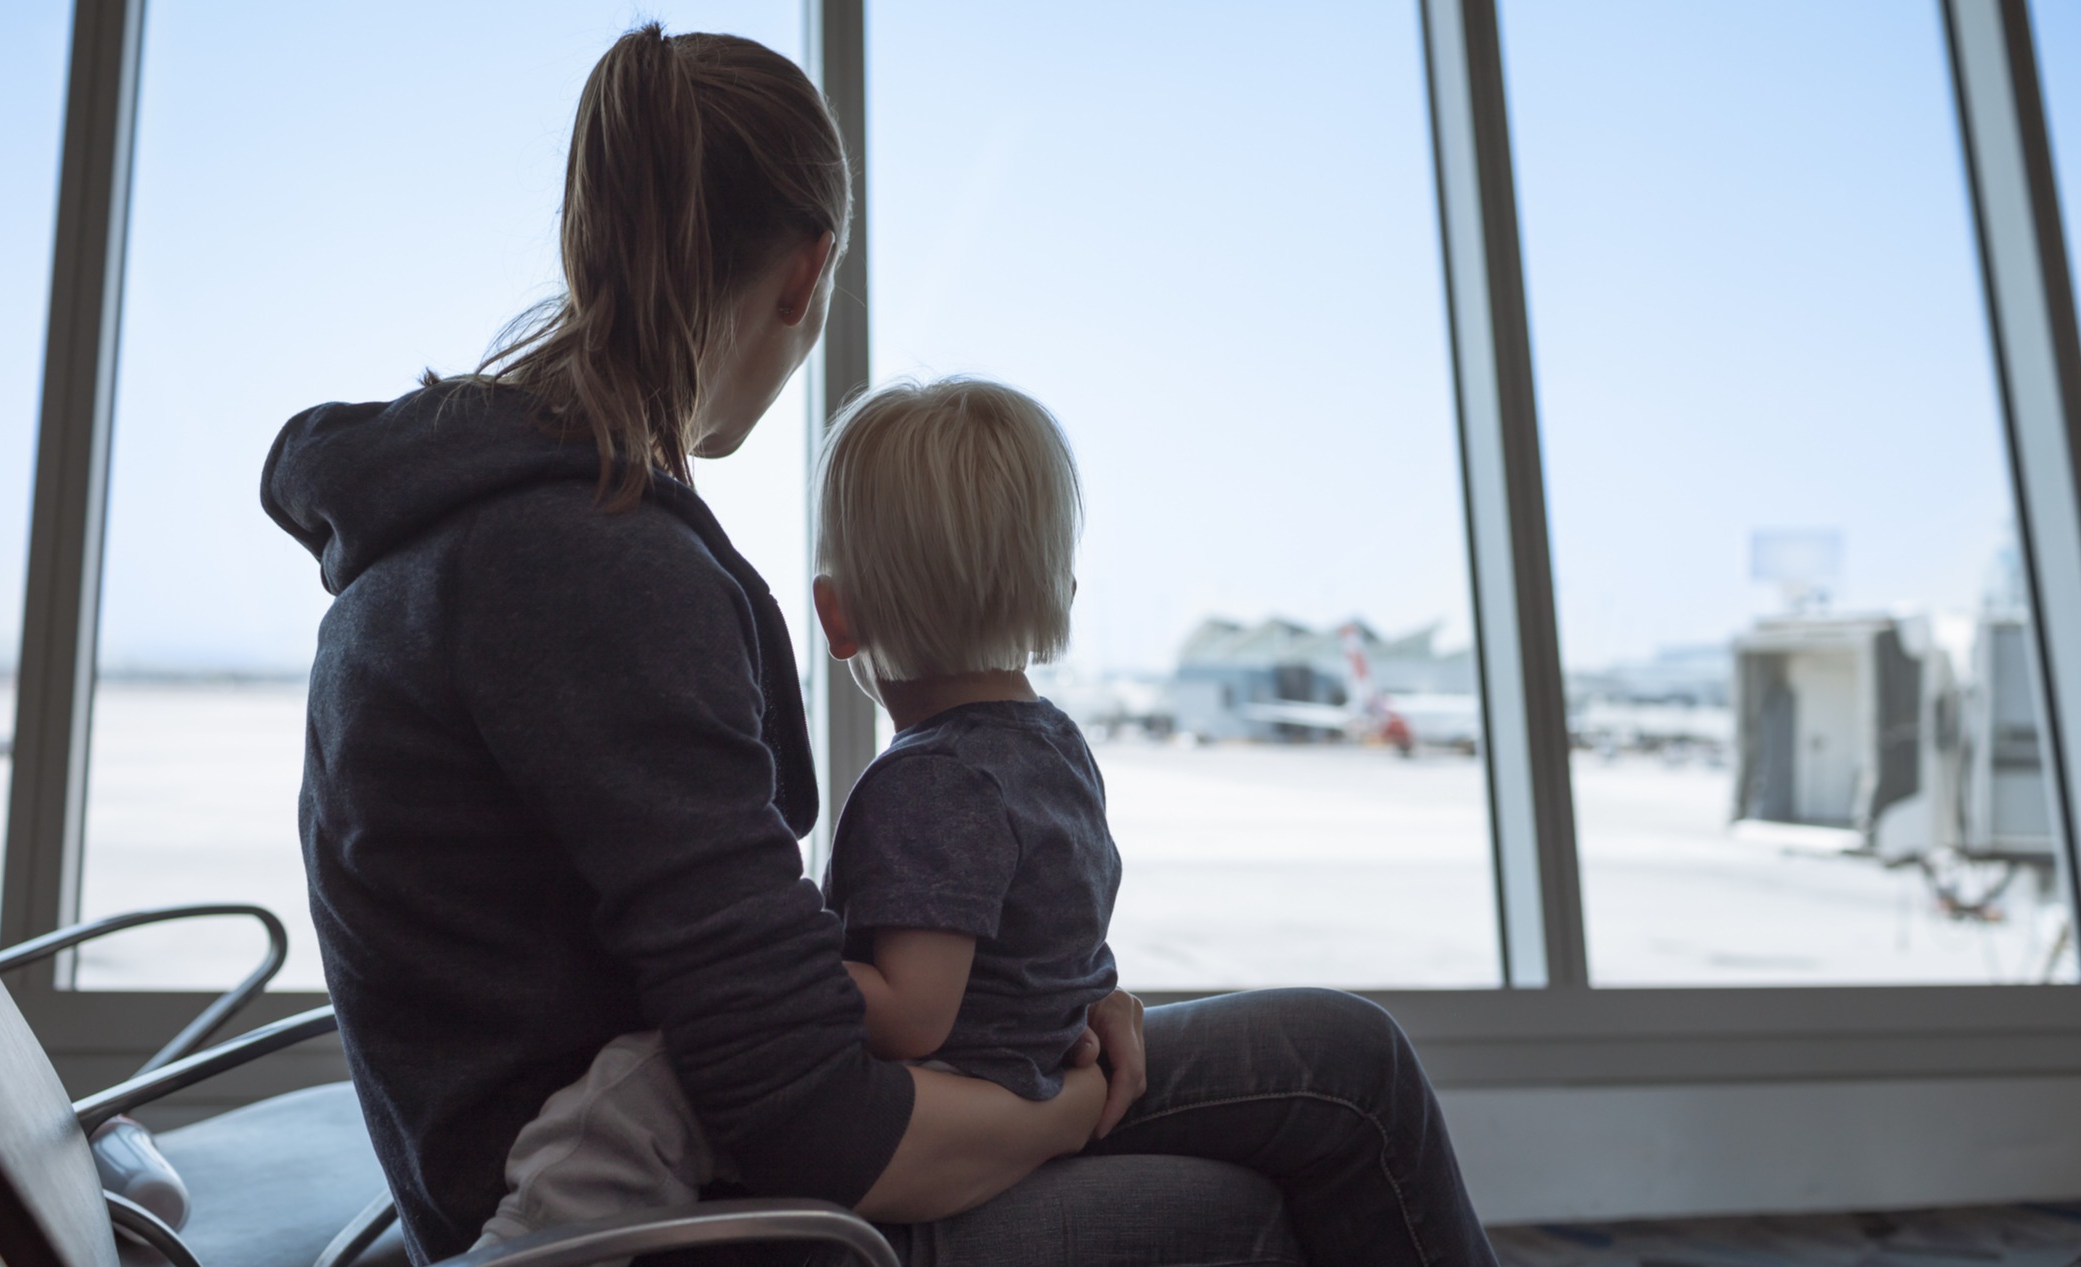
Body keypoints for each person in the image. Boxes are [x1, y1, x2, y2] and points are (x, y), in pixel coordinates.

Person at [262, 21, 1496, 1267]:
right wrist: (1067, 1105)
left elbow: (711, 962)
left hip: (676, 1128)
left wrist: (1058, 999)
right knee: (1257, 1206)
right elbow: (814, 1122)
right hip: (647, 1216)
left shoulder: (470, 526)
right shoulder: (589, 566)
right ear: (807, 273)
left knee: (1348, 1059)